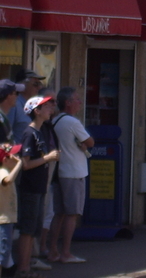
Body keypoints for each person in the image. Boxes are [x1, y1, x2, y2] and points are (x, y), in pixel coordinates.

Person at [47, 88, 92, 265]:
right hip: (74, 172)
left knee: (59, 214)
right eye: (77, 99)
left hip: (59, 171)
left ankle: (53, 251)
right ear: (68, 103)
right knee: (72, 214)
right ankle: (66, 252)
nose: (80, 102)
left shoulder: (55, 120)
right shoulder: (72, 122)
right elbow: (90, 142)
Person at [17, 95, 59, 278]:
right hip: (30, 188)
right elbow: (25, 164)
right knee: (27, 230)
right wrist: (48, 158)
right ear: (37, 111)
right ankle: (23, 268)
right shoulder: (29, 133)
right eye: (46, 106)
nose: (50, 108)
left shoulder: (41, 131)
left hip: (39, 187)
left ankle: (27, 265)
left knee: (34, 229)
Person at [0, 144, 22, 278]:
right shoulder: (3, 171)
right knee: (1, 256)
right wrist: (19, 164)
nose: (17, 157)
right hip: (3, 221)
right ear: (5, 160)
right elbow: (7, 180)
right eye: (13, 156)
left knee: (5, 256)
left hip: (7, 220)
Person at [8, 71, 45, 144]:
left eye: (40, 84)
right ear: (23, 86)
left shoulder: (35, 105)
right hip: (18, 153)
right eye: (35, 84)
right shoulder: (14, 105)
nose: (39, 87)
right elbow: (6, 133)